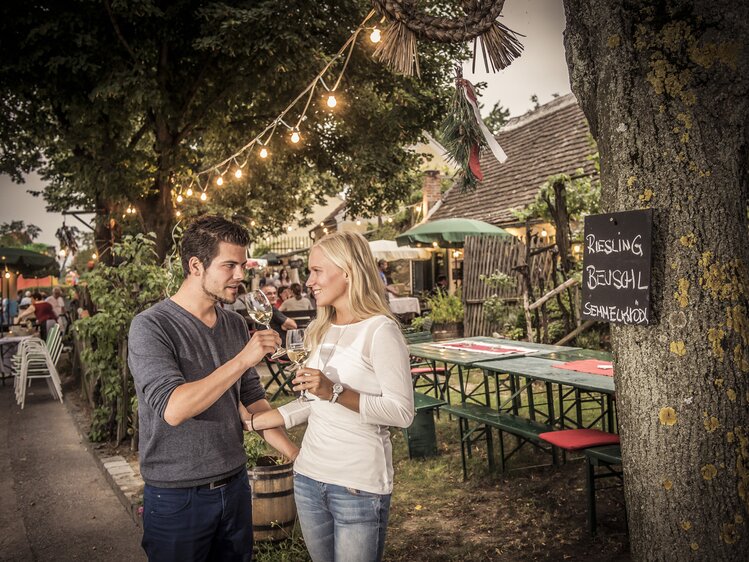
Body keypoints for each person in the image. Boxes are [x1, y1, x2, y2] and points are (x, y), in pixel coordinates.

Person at [127, 215, 299, 562]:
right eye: (230, 265)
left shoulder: (234, 324)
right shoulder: (151, 326)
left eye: (243, 264)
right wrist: (243, 359)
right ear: (195, 265)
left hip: (235, 486)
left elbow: (254, 401)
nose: (241, 275)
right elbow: (174, 408)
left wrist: (299, 457)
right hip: (177, 497)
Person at [246, 231, 414, 562]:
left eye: (317, 271)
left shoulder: (380, 330)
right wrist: (258, 420)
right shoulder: (320, 329)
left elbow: (401, 413)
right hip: (308, 478)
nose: (309, 281)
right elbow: (313, 401)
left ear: (348, 271)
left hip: (356, 485)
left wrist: (335, 391)